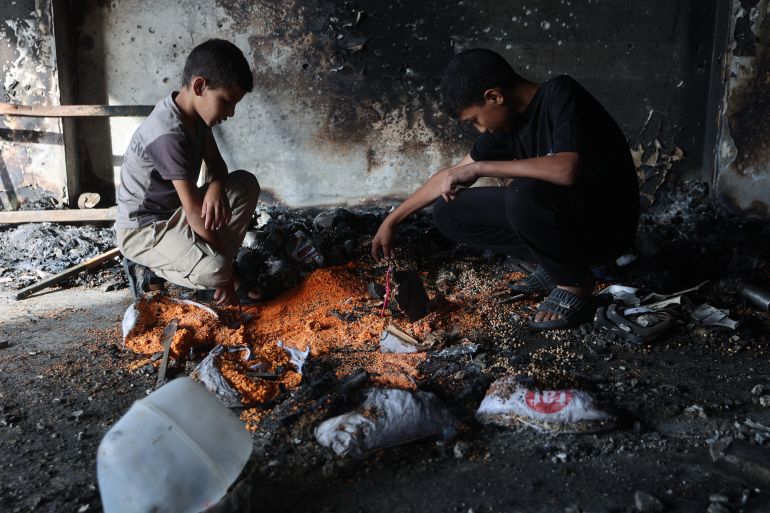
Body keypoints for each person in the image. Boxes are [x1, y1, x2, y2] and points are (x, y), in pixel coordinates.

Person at [371, 48, 639, 330]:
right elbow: (451, 175)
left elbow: (566, 169)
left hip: (606, 227)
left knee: (522, 193)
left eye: (475, 119)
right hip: (567, 224)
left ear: (494, 97)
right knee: (449, 211)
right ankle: (556, 264)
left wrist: (483, 167)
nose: (479, 129)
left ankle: (574, 283)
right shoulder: (506, 124)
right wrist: (393, 219)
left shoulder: (560, 93)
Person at [115, 39, 261, 306]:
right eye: (227, 102)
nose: (231, 113)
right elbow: (195, 214)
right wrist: (227, 278)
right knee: (216, 270)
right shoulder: (168, 134)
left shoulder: (193, 116)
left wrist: (216, 187)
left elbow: (217, 165)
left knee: (245, 185)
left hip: (175, 213)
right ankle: (146, 268)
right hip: (145, 230)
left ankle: (216, 268)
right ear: (199, 86)